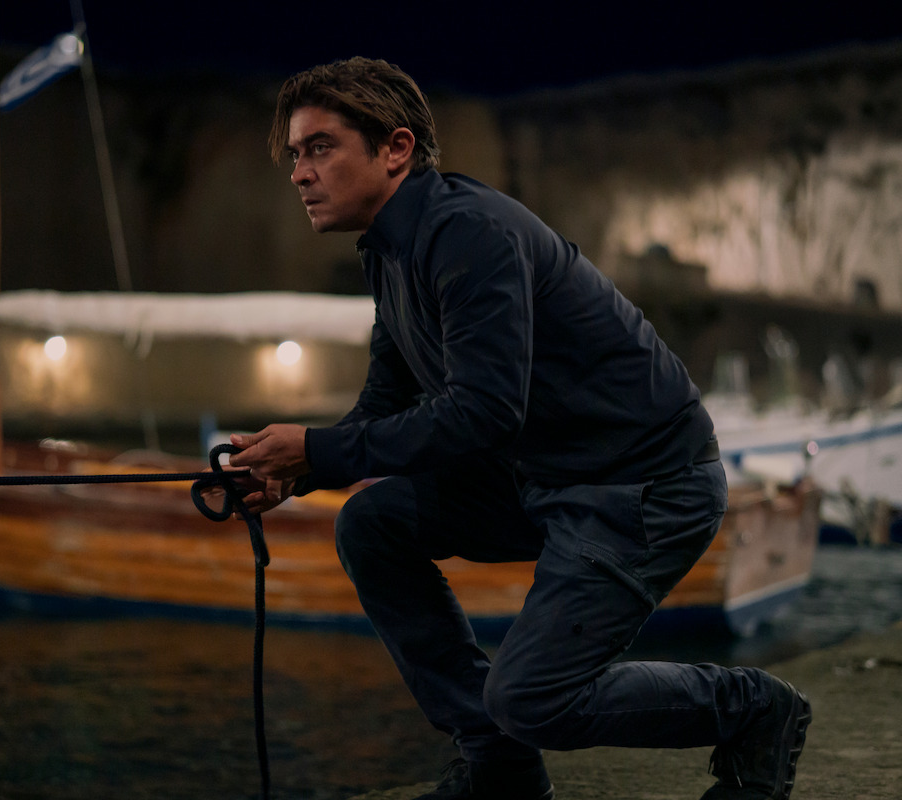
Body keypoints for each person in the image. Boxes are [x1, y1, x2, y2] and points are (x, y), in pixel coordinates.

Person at [228, 57, 811, 800]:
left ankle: (754, 709)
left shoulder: (467, 234)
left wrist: (316, 448)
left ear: (396, 149)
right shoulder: (391, 252)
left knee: (534, 697)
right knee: (371, 524)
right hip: (543, 478)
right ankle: (496, 761)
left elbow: (482, 411)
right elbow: (386, 402)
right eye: (295, 154)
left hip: (642, 488)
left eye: (320, 148)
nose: (298, 173)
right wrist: (297, 467)